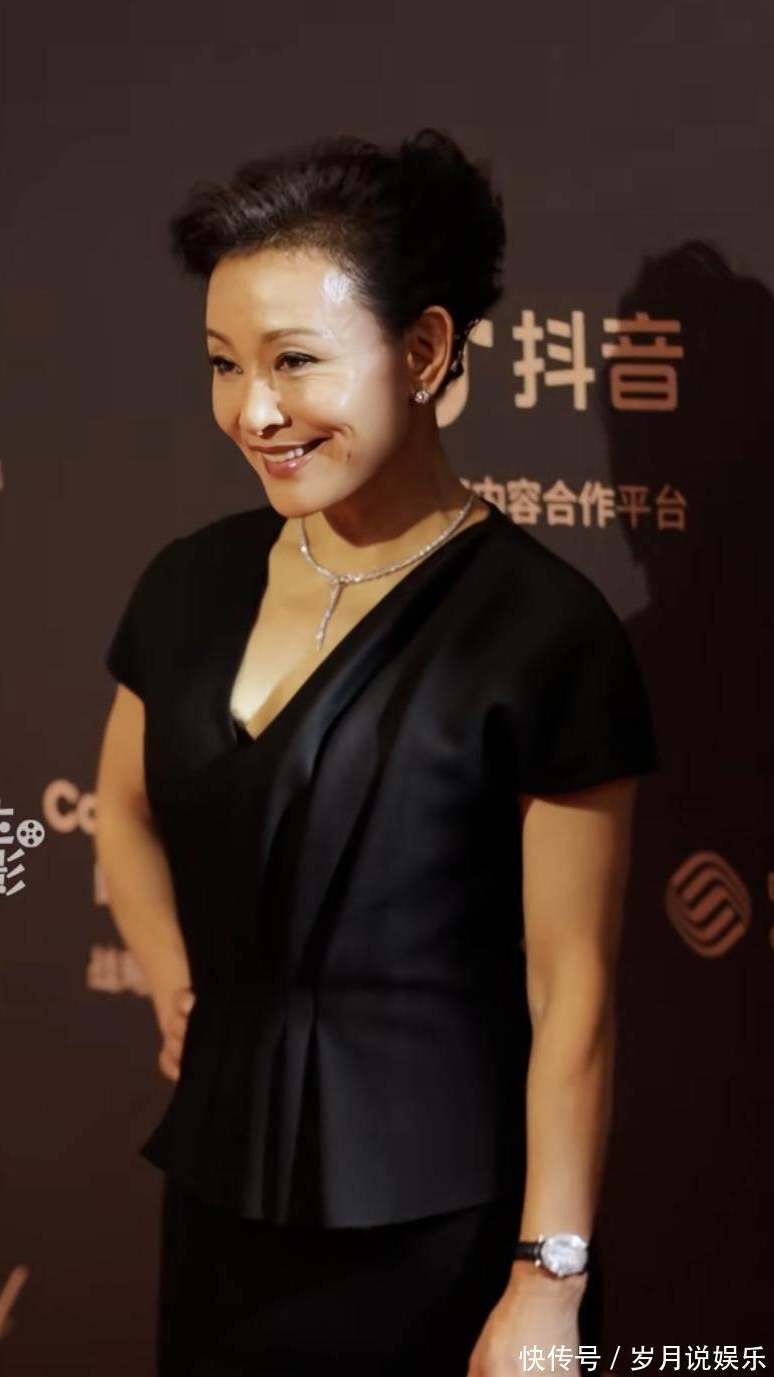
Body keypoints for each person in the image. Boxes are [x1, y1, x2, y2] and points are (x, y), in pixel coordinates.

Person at [94, 128, 660, 1377]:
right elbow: (117, 809)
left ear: (423, 350)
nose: (253, 411)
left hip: (441, 1230)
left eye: (294, 360)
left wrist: (548, 1280)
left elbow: (571, 992)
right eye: (223, 365)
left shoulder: (542, 631)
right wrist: (177, 989)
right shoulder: (187, 584)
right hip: (220, 1195)